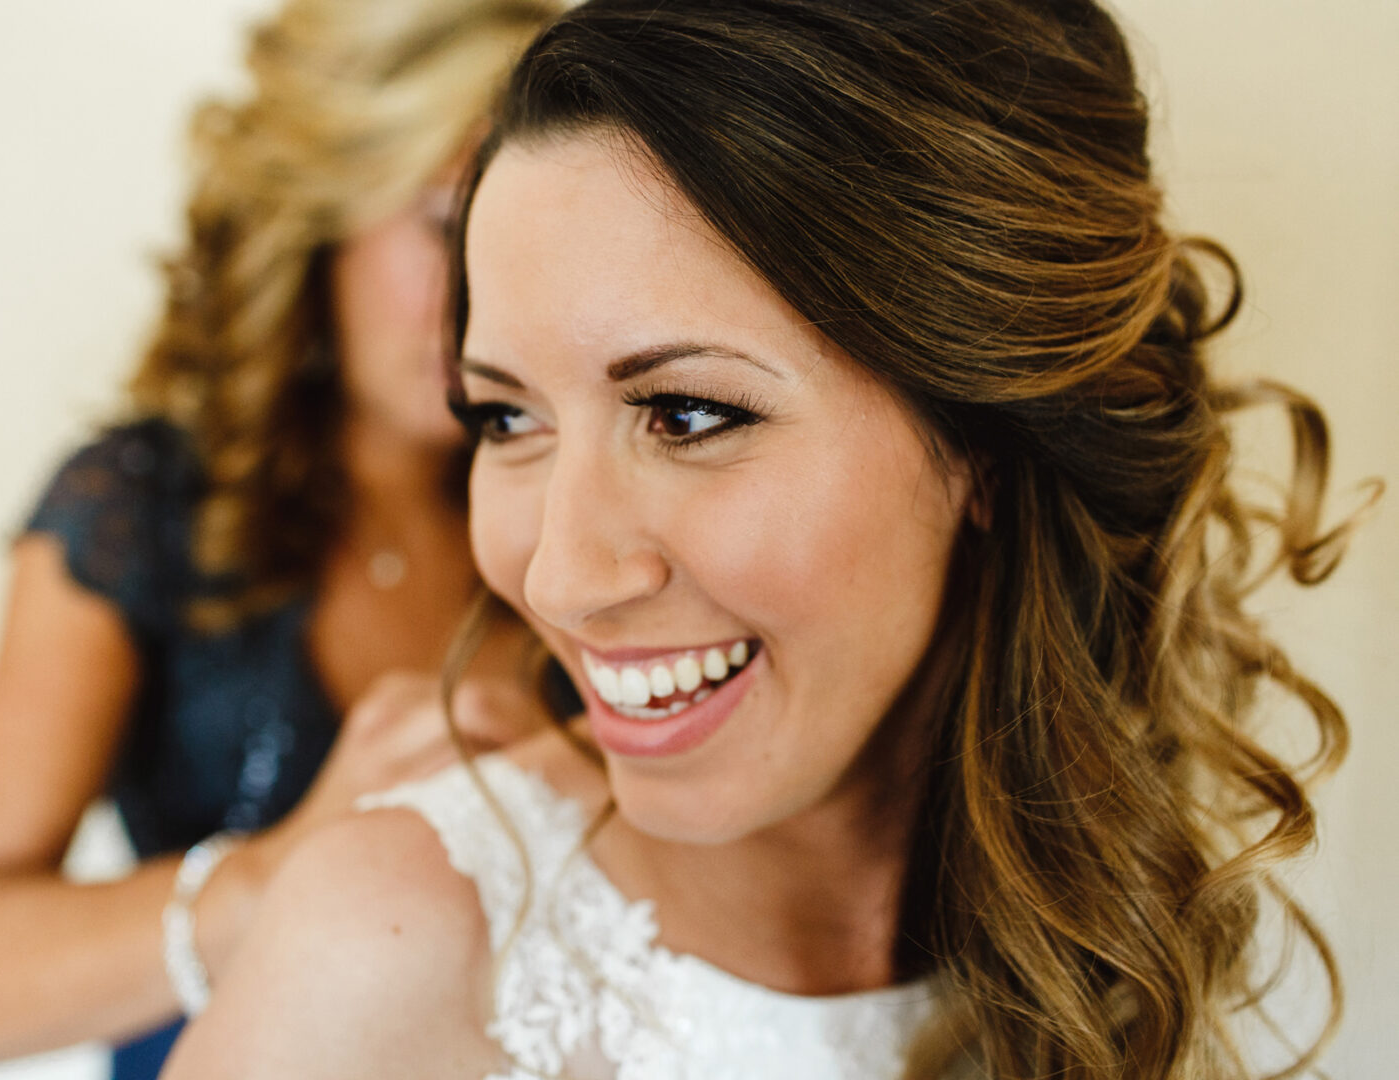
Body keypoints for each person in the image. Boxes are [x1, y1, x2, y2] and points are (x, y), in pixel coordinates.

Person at [162, 1, 1371, 1077]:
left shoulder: (1135, 907)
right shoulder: (390, 946)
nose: (561, 577)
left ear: (989, 444)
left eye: (688, 413)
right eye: (506, 416)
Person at [0, 1, 570, 1076]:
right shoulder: (143, 507)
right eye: (446, 228)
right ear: (321, 210)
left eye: (526, 237)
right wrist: (277, 874)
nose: (487, 301)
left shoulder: (572, 496)